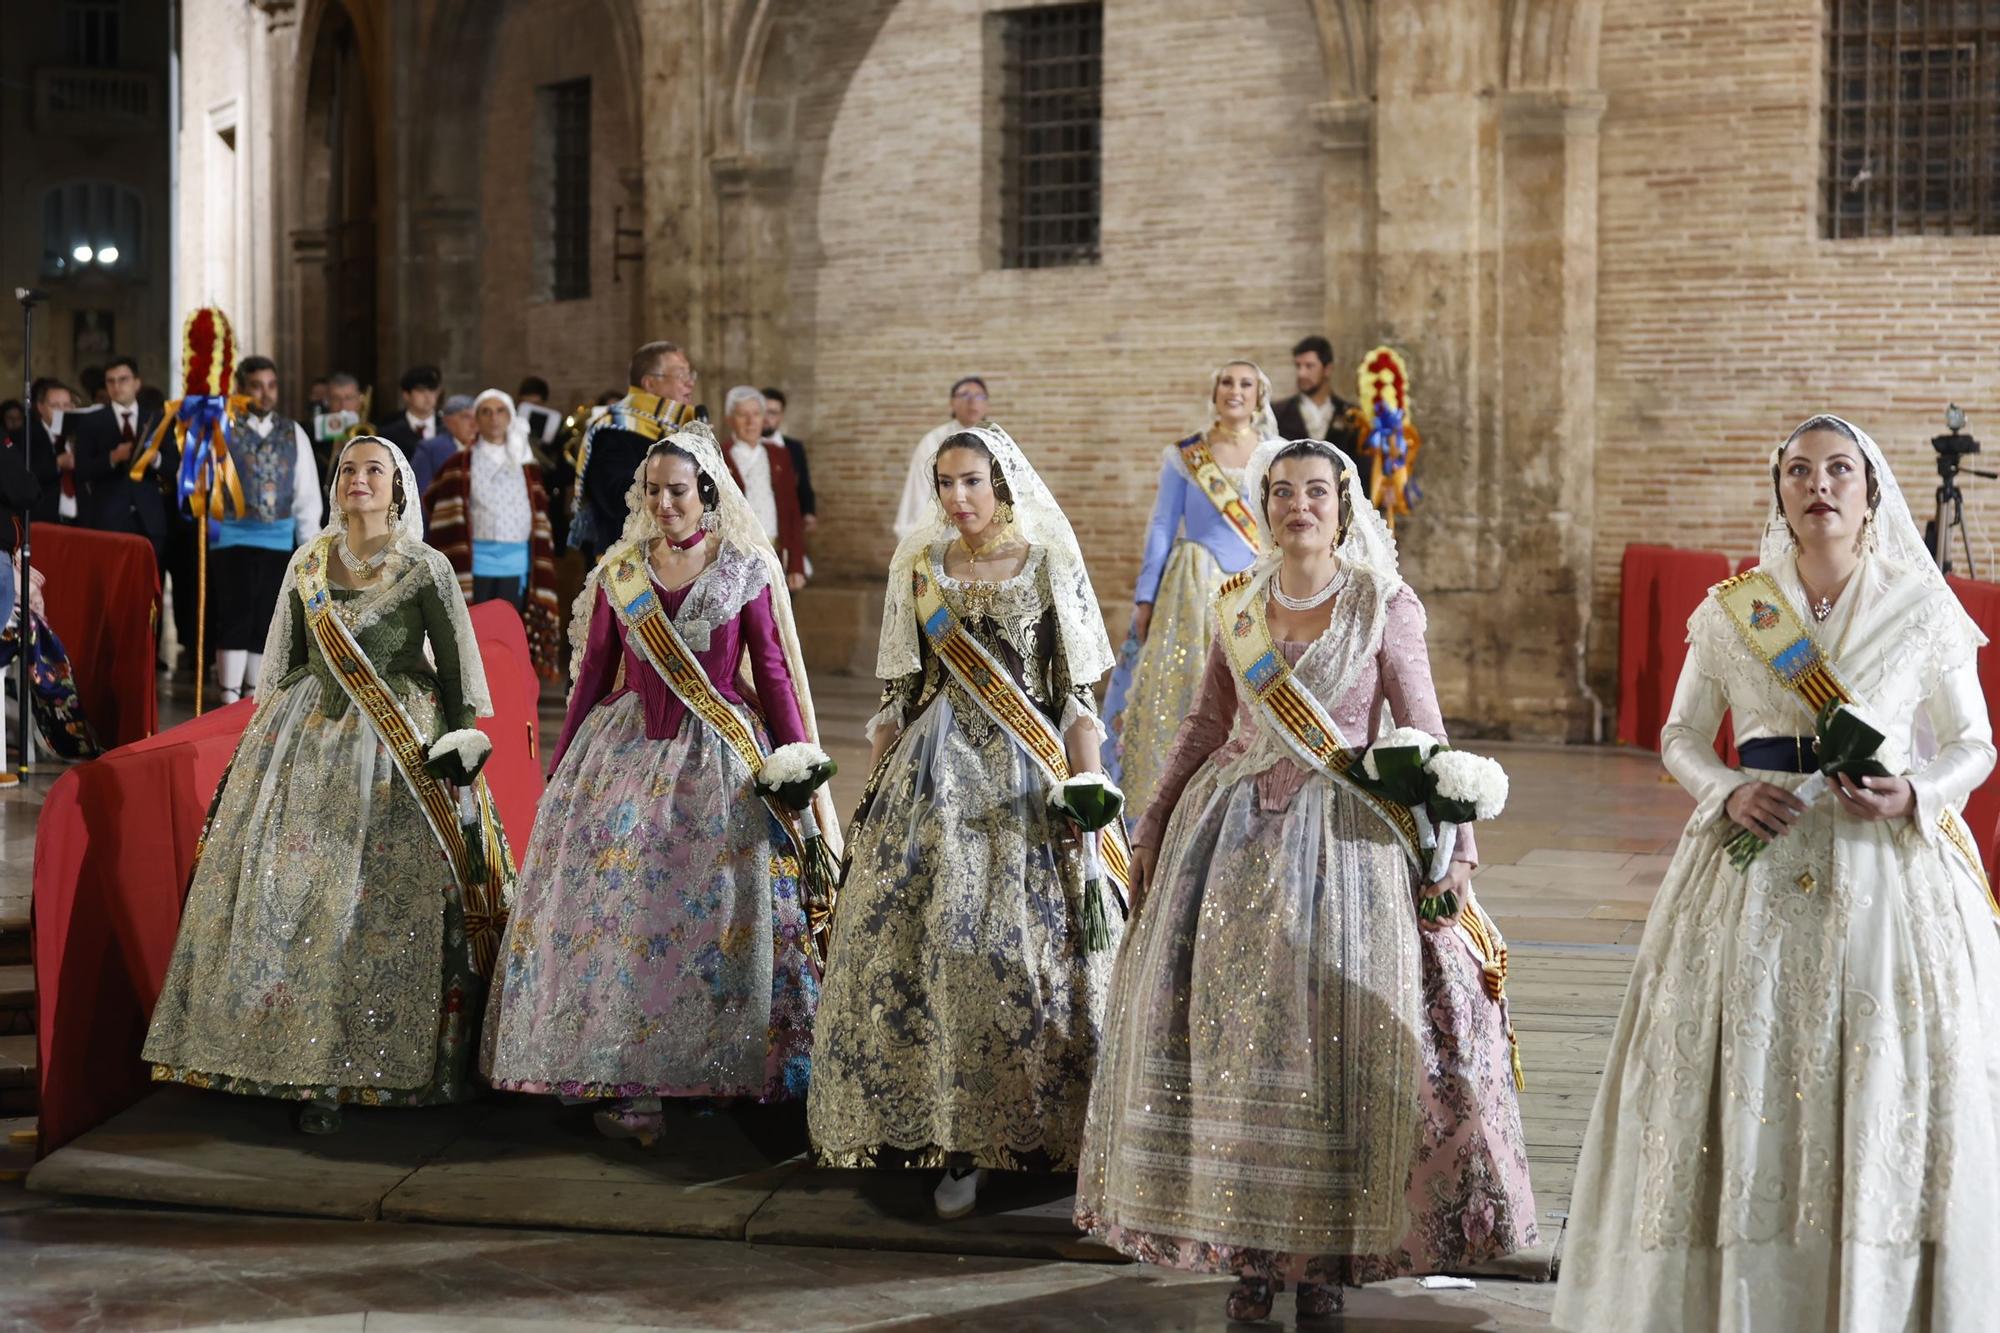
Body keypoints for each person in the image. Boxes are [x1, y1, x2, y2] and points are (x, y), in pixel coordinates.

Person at [1553, 415, 2000, 1333]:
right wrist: (1724, 792)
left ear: (1872, 492)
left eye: (1841, 470)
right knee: (1739, 1069)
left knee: (1878, 1080)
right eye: (1800, 471)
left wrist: (1915, 794)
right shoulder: (1734, 610)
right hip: (1750, 864)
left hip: (1883, 878)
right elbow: (1679, 734)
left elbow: (1974, 744)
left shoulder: (1923, 607)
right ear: (1780, 491)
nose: (1819, 486)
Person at [1075, 438, 1537, 1322]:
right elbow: (1204, 725)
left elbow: (1426, 734)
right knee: (1242, 1056)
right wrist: (1154, 824)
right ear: (1265, 505)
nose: (1299, 506)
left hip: (1350, 848)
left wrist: (1462, 853)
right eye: (1282, 491)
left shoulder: (1383, 605)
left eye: (1315, 491)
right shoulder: (1237, 603)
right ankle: (1252, 1257)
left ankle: (1324, 1260)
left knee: (1333, 1050)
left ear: (1344, 502)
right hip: (1230, 852)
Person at [143, 437, 514, 1135]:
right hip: (304, 743)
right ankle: (282, 1052)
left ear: (399, 485)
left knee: (377, 898)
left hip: (400, 745)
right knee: (294, 891)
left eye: (374, 470)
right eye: (348, 470)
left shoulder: (426, 566)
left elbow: (462, 674)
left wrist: (461, 744)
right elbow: (281, 665)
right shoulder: (307, 562)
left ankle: (376, 1061)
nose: (359, 480)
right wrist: (261, 751)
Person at [484, 422, 839, 1142]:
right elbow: (591, 674)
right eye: (654, 490)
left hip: (720, 761)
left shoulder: (741, 568)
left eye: (678, 490)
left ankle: (723, 1066)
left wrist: (797, 759)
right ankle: (631, 1075)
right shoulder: (621, 571)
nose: (666, 502)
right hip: (622, 760)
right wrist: (558, 768)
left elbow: (769, 670)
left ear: (705, 491)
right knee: (628, 913)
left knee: (717, 916)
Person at [808, 422, 1126, 1220]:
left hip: (1026, 779)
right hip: (933, 775)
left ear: (1002, 483)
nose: (957, 497)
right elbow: (898, 697)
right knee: (932, 952)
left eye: (971, 481)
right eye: (945, 482)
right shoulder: (917, 566)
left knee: (1033, 957)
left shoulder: (1049, 559)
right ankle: (951, 1138)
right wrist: (874, 786)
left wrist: (1087, 784)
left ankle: (1055, 1129)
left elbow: (1076, 694)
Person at [1099, 360, 1274, 821]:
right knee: (1189, 689)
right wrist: (1145, 596)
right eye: (1226, 382)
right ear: (1214, 391)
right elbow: (1161, 525)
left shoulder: (1276, 454)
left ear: (1260, 396)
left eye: (1245, 384)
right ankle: (1169, 796)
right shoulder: (1185, 454)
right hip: (1193, 585)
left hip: (1256, 586)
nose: (1234, 390)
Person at [206, 356, 323, 706]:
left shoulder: (292, 432)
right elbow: (204, 483)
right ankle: (228, 692)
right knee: (235, 613)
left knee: (266, 618)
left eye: (271, 385)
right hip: (231, 537)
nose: (266, 393)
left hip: (277, 539)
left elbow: (305, 491)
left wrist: (309, 542)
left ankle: (252, 694)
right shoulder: (220, 428)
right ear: (241, 389)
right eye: (257, 385)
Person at [422, 388, 562, 678]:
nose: (494, 418)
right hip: (476, 563)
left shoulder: (526, 466)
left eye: (500, 411)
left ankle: (509, 688)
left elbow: (541, 513)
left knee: (510, 627)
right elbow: (434, 499)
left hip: (516, 562)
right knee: (475, 629)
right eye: (486, 411)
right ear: (476, 420)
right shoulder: (460, 463)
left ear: (510, 417)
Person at [572, 342, 698, 563]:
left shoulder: (680, 430)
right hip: (628, 562)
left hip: (677, 557)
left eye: (690, 374)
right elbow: (616, 498)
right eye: (680, 375)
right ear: (649, 383)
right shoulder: (613, 429)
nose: (690, 382)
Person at [73, 355, 169, 571]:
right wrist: (112, 458)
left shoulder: (157, 419)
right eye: (111, 381)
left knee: (150, 589)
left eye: (123, 379)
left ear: (137, 382)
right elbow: (82, 471)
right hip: (109, 519)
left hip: (150, 519)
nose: (117, 386)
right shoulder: (91, 421)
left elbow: (173, 467)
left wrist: (155, 458)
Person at [721, 386, 806, 591]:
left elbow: (791, 512)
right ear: (730, 419)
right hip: (733, 560)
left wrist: (796, 565)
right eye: (743, 415)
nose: (751, 422)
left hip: (775, 554)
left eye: (756, 414)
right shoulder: (719, 456)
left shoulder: (779, 455)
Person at [892, 377, 990, 541]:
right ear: (952, 402)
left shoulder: (998, 441)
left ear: (987, 404)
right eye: (965, 395)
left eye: (980, 396)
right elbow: (918, 491)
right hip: (946, 531)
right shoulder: (933, 441)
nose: (973, 401)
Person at [1272, 336, 1368, 497]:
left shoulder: (1353, 415)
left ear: (1328, 369)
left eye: (1309, 366)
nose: (1301, 373)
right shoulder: (1277, 413)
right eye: (1298, 366)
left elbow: (1363, 470)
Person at [761, 388, 816, 532]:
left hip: (787, 522)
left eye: (772, 413)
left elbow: (803, 483)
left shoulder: (794, 448)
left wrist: (808, 512)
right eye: (763, 411)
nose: (766, 418)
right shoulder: (741, 449)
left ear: (781, 416)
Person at [25, 380, 78, 527]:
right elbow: (23, 474)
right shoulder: (27, 435)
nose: (61, 410)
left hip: (79, 520)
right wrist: (57, 463)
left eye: (66, 405)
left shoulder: (79, 434)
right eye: (54, 406)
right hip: (43, 519)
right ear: (41, 407)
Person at [413, 393, 473, 504]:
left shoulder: (482, 448)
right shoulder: (430, 450)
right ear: (447, 421)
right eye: (466, 417)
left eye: (475, 417)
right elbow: (419, 497)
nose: (473, 424)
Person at [376, 365, 443, 458]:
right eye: (421, 390)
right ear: (406, 395)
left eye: (432, 390)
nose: (427, 396)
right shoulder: (388, 431)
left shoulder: (448, 427)